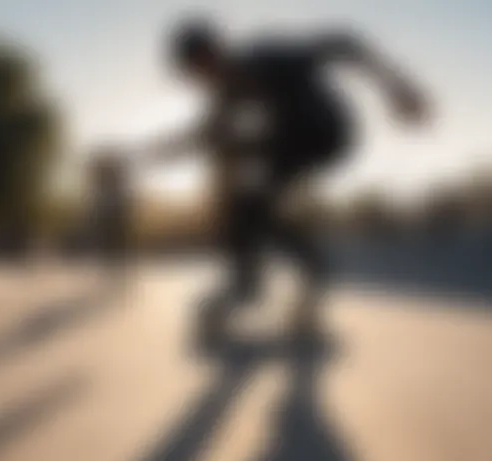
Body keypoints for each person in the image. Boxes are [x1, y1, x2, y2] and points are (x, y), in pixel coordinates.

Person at [135, 18, 430, 338]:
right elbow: (200, 136)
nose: (202, 80)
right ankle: (262, 277)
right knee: (237, 185)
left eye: (200, 69)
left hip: (326, 130)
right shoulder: (225, 98)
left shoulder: (267, 59)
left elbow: (343, 43)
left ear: (214, 52)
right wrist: (147, 155)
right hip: (283, 145)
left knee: (242, 174)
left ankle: (259, 277)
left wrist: (397, 86)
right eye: (193, 76)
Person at [88, 149, 132, 294]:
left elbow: (119, 200)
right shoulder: (108, 183)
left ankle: (117, 271)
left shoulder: (112, 183)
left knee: (115, 242)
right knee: (111, 242)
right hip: (110, 214)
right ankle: (114, 270)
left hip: (113, 214)